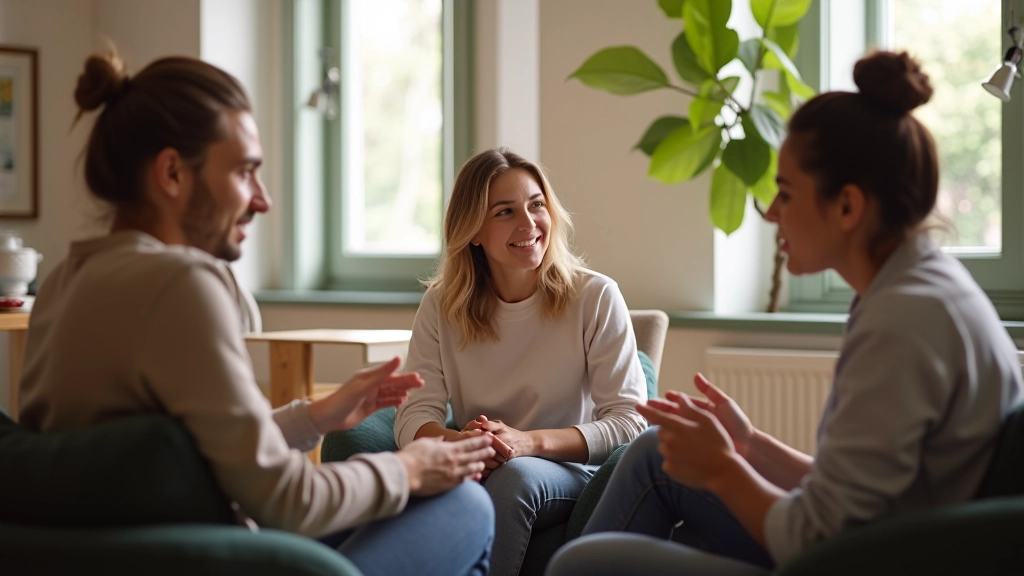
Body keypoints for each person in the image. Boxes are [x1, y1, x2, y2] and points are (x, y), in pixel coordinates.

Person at [17, 49, 497, 576]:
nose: (263, 200)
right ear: (173, 173)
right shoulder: (181, 284)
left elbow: (162, 462)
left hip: (128, 553)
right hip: (224, 559)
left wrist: (314, 417)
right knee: (465, 504)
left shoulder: (65, 279)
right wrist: (408, 468)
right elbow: (289, 501)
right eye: (246, 172)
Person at [546, 51, 1024, 576]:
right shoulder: (914, 287)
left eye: (786, 192)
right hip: (877, 536)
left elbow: (816, 538)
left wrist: (725, 468)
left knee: (581, 562)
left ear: (847, 206)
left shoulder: (903, 323)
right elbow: (856, 492)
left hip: (860, 560)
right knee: (657, 449)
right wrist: (749, 444)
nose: (772, 212)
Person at [393, 147, 649, 576]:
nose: (528, 224)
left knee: (515, 479)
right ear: (473, 230)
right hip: (480, 463)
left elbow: (628, 421)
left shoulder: (596, 296)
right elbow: (414, 412)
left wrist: (526, 442)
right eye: (505, 212)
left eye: (536, 206)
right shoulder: (441, 304)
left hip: (569, 470)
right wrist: (463, 445)